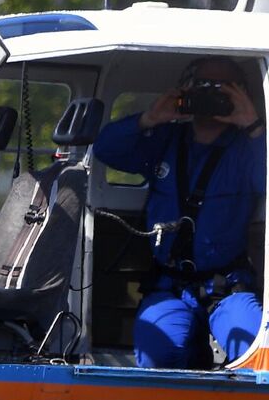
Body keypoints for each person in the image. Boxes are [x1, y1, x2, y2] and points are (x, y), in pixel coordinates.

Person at [94, 55, 266, 370]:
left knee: (257, 357)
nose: (211, 94)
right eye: (203, 86)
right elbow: (105, 150)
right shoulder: (165, 139)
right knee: (159, 360)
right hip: (169, 287)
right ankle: (194, 355)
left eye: (224, 88)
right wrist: (149, 118)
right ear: (186, 88)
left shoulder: (249, 149)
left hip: (228, 287)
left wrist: (254, 126)